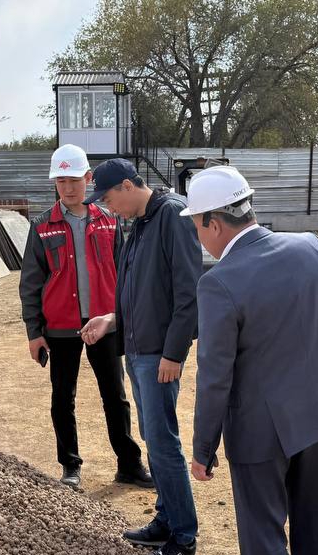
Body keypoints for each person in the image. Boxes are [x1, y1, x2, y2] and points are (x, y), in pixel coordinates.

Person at [183, 166, 318, 555]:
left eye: (196, 227)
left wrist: (204, 448)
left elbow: (215, 377)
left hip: (258, 430)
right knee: (315, 526)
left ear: (213, 224)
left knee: (263, 535)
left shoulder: (219, 281)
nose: (198, 238)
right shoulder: (311, 247)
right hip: (314, 413)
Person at [80, 158, 202, 555]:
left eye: (109, 198)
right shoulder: (142, 221)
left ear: (128, 186)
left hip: (158, 354)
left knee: (163, 442)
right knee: (153, 437)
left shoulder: (172, 216)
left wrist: (174, 353)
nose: (108, 206)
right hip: (138, 348)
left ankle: (183, 535)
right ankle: (166, 518)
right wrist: (112, 319)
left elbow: (189, 292)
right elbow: (146, 292)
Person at [18, 144, 153, 492]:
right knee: (63, 398)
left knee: (116, 396)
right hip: (60, 328)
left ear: (88, 178)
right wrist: (34, 332)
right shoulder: (42, 227)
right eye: (61, 181)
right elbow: (30, 284)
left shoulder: (110, 219)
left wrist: (120, 318)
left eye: (74, 180)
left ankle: (129, 465)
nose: (68, 188)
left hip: (104, 324)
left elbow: (125, 271)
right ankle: (70, 465)